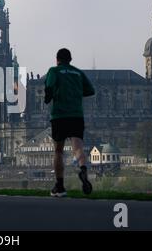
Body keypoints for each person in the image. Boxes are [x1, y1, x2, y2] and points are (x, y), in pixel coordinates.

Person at [44, 48, 95, 197]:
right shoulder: (78, 73)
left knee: (58, 151)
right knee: (78, 147)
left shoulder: (54, 71)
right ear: (70, 60)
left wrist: (49, 97)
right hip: (76, 115)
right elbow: (90, 90)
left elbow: (49, 87)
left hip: (59, 115)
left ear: (57, 60)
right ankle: (83, 168)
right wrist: (76, 92)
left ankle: (59, 187)